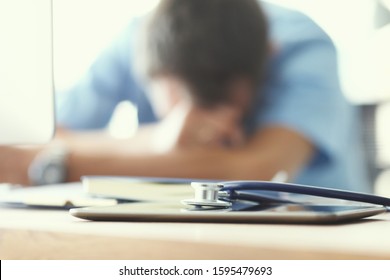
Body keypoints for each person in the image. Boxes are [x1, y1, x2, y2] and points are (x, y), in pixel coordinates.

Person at [0, 0, 370, 192]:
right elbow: (45, 138)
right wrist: (156, 141)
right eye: (182, 111)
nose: (206, 136)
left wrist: (56, 166)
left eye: (224, 109)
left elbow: (261, 170)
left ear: (269, 55)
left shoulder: (301, 45)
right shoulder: (135, 39)